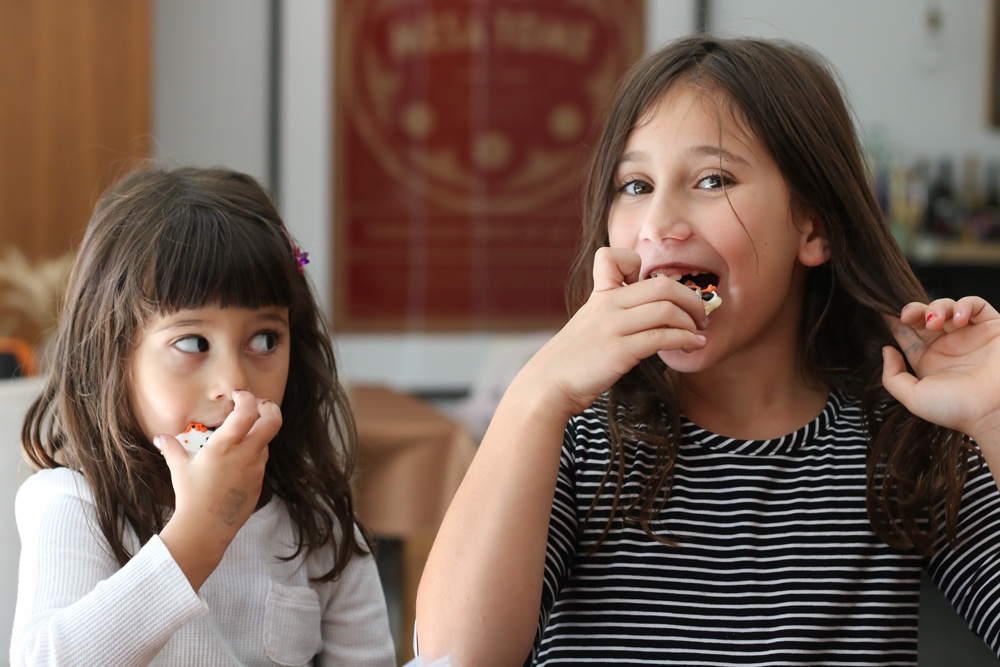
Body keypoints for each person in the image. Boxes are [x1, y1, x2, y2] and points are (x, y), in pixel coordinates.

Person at [415, 34, 1000, 667]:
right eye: (634, 185)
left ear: (813, 227)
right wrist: (536, 395)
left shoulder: (899, 440)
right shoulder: (579, 436)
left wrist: (994, 418)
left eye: (712, 178)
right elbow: (454, 654)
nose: (659, 223)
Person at [10, 166, 396, 666]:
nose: (234, 384)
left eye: (264, 340)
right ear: (113, 355)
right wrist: (198, 535)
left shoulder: (322, 529)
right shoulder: (75, 505)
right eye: (193, 343)